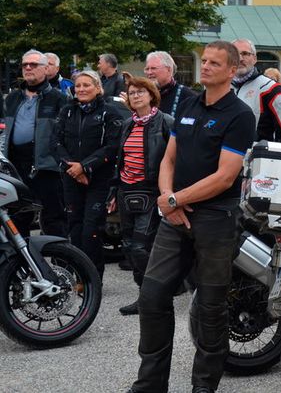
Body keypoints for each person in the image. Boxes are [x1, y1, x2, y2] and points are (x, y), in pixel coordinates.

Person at [129, 41, 255, 393]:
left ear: (232, 70)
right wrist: (169, 201)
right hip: (176, 217)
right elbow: (169, 157)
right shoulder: (187, 104)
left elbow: (225, 177)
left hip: (215, 220)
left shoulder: (240, 115)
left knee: (211, 309)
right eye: (204, 60)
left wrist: (173, 198)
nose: (207, 66)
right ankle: (150, 385)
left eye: (216, 62)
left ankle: (203, 387)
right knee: (152, 297)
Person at [108, 76, 173, 316]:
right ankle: (144, 296)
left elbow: (175, 158)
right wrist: (114, 190)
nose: (135, 96)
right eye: (132, 92)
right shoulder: (128, 124)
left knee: (140, 248)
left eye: (140, 92)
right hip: (126, 191)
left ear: (151, 95)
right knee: (127, 246)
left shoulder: (165, 122)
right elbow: (120, 160)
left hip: (152, 192)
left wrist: (169, 191)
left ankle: (156, 295)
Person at [52, 70, 122, 278]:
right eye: (78, 86)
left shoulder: (110, 112)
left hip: (98, 179)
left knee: (91, 229)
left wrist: (85, 166)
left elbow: (112, 146)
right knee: (74, 227)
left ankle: (93, 277)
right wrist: (73, 170)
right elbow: (55, 144)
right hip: (71, 178)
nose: (81, 89)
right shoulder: (66, 111)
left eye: (86, 85)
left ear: (98, 88)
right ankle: (78, 275)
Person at [2, 49, 68, 237]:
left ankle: (62, 263)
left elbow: (65, 133)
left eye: (33, 64)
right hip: (16, 166)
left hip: (46, 166)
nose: (28, 68)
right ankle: (20, 265)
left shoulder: (58, 98)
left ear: (46, 68)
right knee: (17, 217)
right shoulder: (13, 98)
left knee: (54, 218)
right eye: (25, 65)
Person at [231, 39, 281, 143]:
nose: (240, 58)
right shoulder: (221, 87)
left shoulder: (273, 89)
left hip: (257, 156)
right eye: (235, 54)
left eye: (245, 54)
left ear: (254, 58)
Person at [144, 51, 197, 117]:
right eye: (147, 69)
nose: (149, 72)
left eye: (153, 68)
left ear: (169, 70)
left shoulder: (188, 97)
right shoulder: (143, 95)